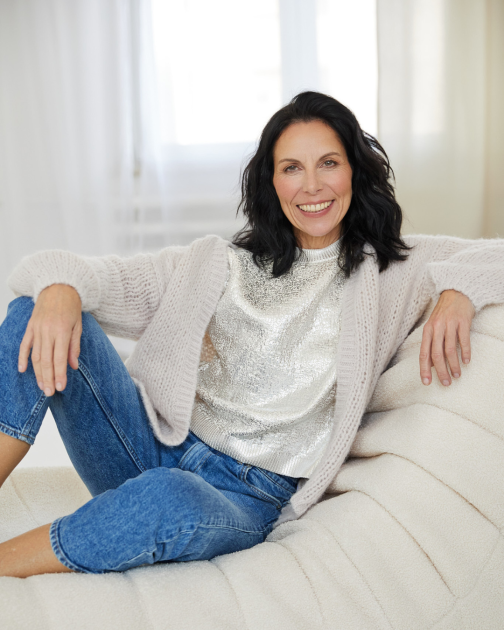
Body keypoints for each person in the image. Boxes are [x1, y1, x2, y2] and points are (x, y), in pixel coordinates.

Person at [1, 91, 503, 578]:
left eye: (328, 163)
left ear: (355, 170)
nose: (312, 186)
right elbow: (66, 271)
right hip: (149, 447)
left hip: (244, 497)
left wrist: (459, 290)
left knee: (167, 497)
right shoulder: (215, 263)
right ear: (272, 181)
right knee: (34, 310)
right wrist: (62, 289)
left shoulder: (395, 269)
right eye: (292, 168)